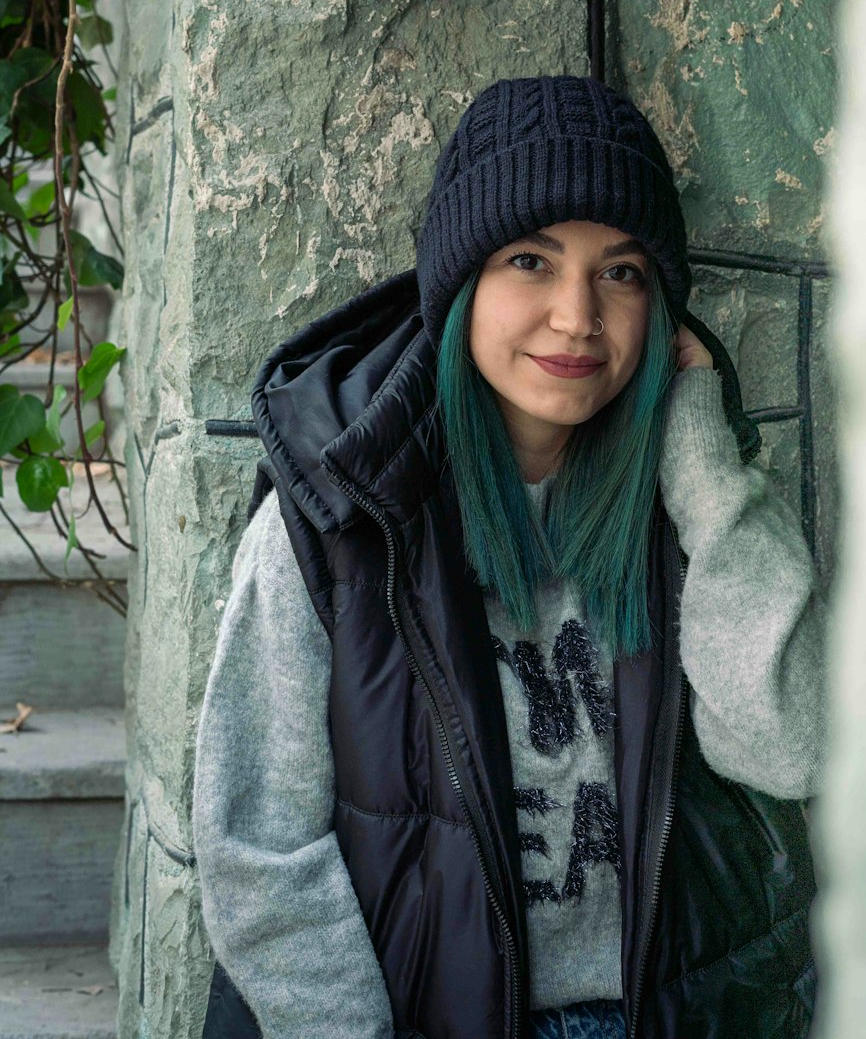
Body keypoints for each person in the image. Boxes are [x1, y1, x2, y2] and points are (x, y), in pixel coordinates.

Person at [192, 73, 828, 1039]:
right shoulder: (340, 519)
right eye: (532, 260)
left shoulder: (697, 508)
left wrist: (703, 458)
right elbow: (256, 845)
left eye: (622, 272)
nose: (578, 314)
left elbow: (791, 746)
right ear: (463, 284)